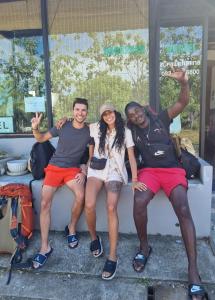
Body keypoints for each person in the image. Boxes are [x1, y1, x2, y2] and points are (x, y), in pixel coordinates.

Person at [125, 69, 208, 300]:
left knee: (182, 208)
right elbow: (106, 125)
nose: (136, 116)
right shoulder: (130, 130)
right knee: (139, 201)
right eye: (131, 115)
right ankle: (144, 248)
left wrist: (184, 82)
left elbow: (183, 101)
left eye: (137, 112)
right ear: (129, 119)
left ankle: (193, 271)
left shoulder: (161, 117)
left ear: (143, 109)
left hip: (172, 170)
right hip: (150, 172)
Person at [85, 103, 147, 280]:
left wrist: (134, 180)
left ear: (115, 112)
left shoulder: (126, 132)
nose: (107, 116)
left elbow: (132, 157)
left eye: (110, 112)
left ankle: (112, 256)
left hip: (115, 173)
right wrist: (65, 120)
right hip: (97, 170)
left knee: (111, 208)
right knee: (89, 204)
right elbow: (80, 122)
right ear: (102, 117)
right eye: (104, 114)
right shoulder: (96, 128)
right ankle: (94, 238)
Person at [30, 98, 91, 269]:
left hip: (72, 170)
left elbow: (93, 151)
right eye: (77, 109)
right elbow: (41, 138)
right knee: (44, 204)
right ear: (73, 111)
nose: (80, 113)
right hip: (55, 168)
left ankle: (71, 228)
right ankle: (44, 247)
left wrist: (84, 170)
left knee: (81, 195)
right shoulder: (63, 125)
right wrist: (35, 128)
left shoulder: (90, 130)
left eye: (83, 110)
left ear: (87, 112)